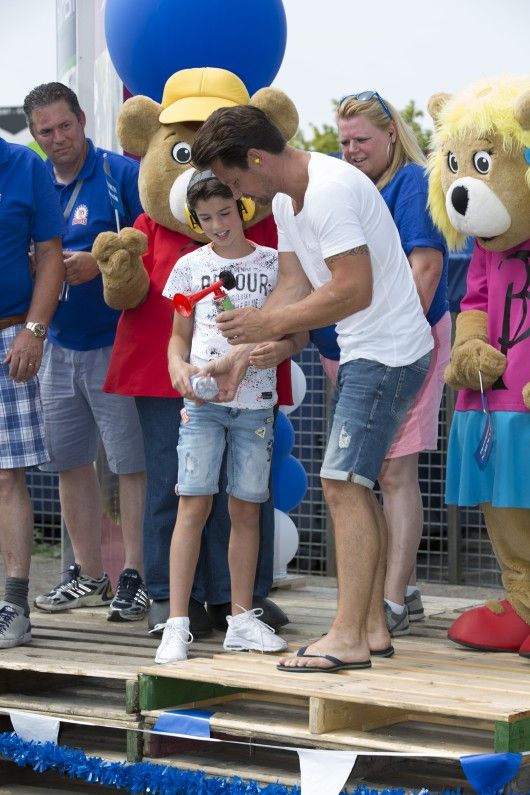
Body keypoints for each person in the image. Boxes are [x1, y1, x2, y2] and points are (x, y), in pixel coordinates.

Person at [190, 104, 433, 672]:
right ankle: (370, 629)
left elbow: (353, 289)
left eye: (233, 182)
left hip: (388, 352)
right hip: (367, 350)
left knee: (342, 484)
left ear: (256, 159)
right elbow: (295, 283)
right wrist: (239, 355)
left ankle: (347, 637)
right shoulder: (285, 199)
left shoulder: (329, 191)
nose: (237, 195)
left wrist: (266, 325)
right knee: (354, 485)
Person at [22, 82, 148, 622]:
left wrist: (102, 262)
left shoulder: (120, 174)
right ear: (35, 135)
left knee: (130, 465)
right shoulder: (33, 181)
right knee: (69, 463)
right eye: (45, 131)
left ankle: (136, 575)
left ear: (82, 119)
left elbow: (151, 239)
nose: (58, 139)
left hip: (116, 343)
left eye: (64, 126)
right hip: (55, 343)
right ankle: (88, 574)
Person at [155, 170, 289, 661]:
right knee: (192, 505)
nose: (218, 225)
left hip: (256, 405)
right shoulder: (189, 267)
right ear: (196, 221)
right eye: (207, 218)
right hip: (203, 404)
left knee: (246, 509)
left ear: (243, 207)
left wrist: (277, 349)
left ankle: (241, 619)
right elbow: (178, 337)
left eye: (225, 213)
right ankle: (176, 624)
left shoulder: (274, 263)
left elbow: (295, 334)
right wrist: (176, 366)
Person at [335, 92, 451, 635]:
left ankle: (392, 602)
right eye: (344, 142)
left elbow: (425, 270)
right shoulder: (356, 188)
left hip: (406, 343)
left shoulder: (411, 183)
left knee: (395, 472)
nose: (352, 149)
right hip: (363, 345)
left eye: (361, 138)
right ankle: (399, 588)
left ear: (390, 135)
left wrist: (395, 344)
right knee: (371, 474)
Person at [0, 136, 64, 648]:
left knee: (6, 477)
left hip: (9, 335)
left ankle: (14, 605)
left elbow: (50, 255)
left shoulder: (24, 165)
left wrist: (35, 330)